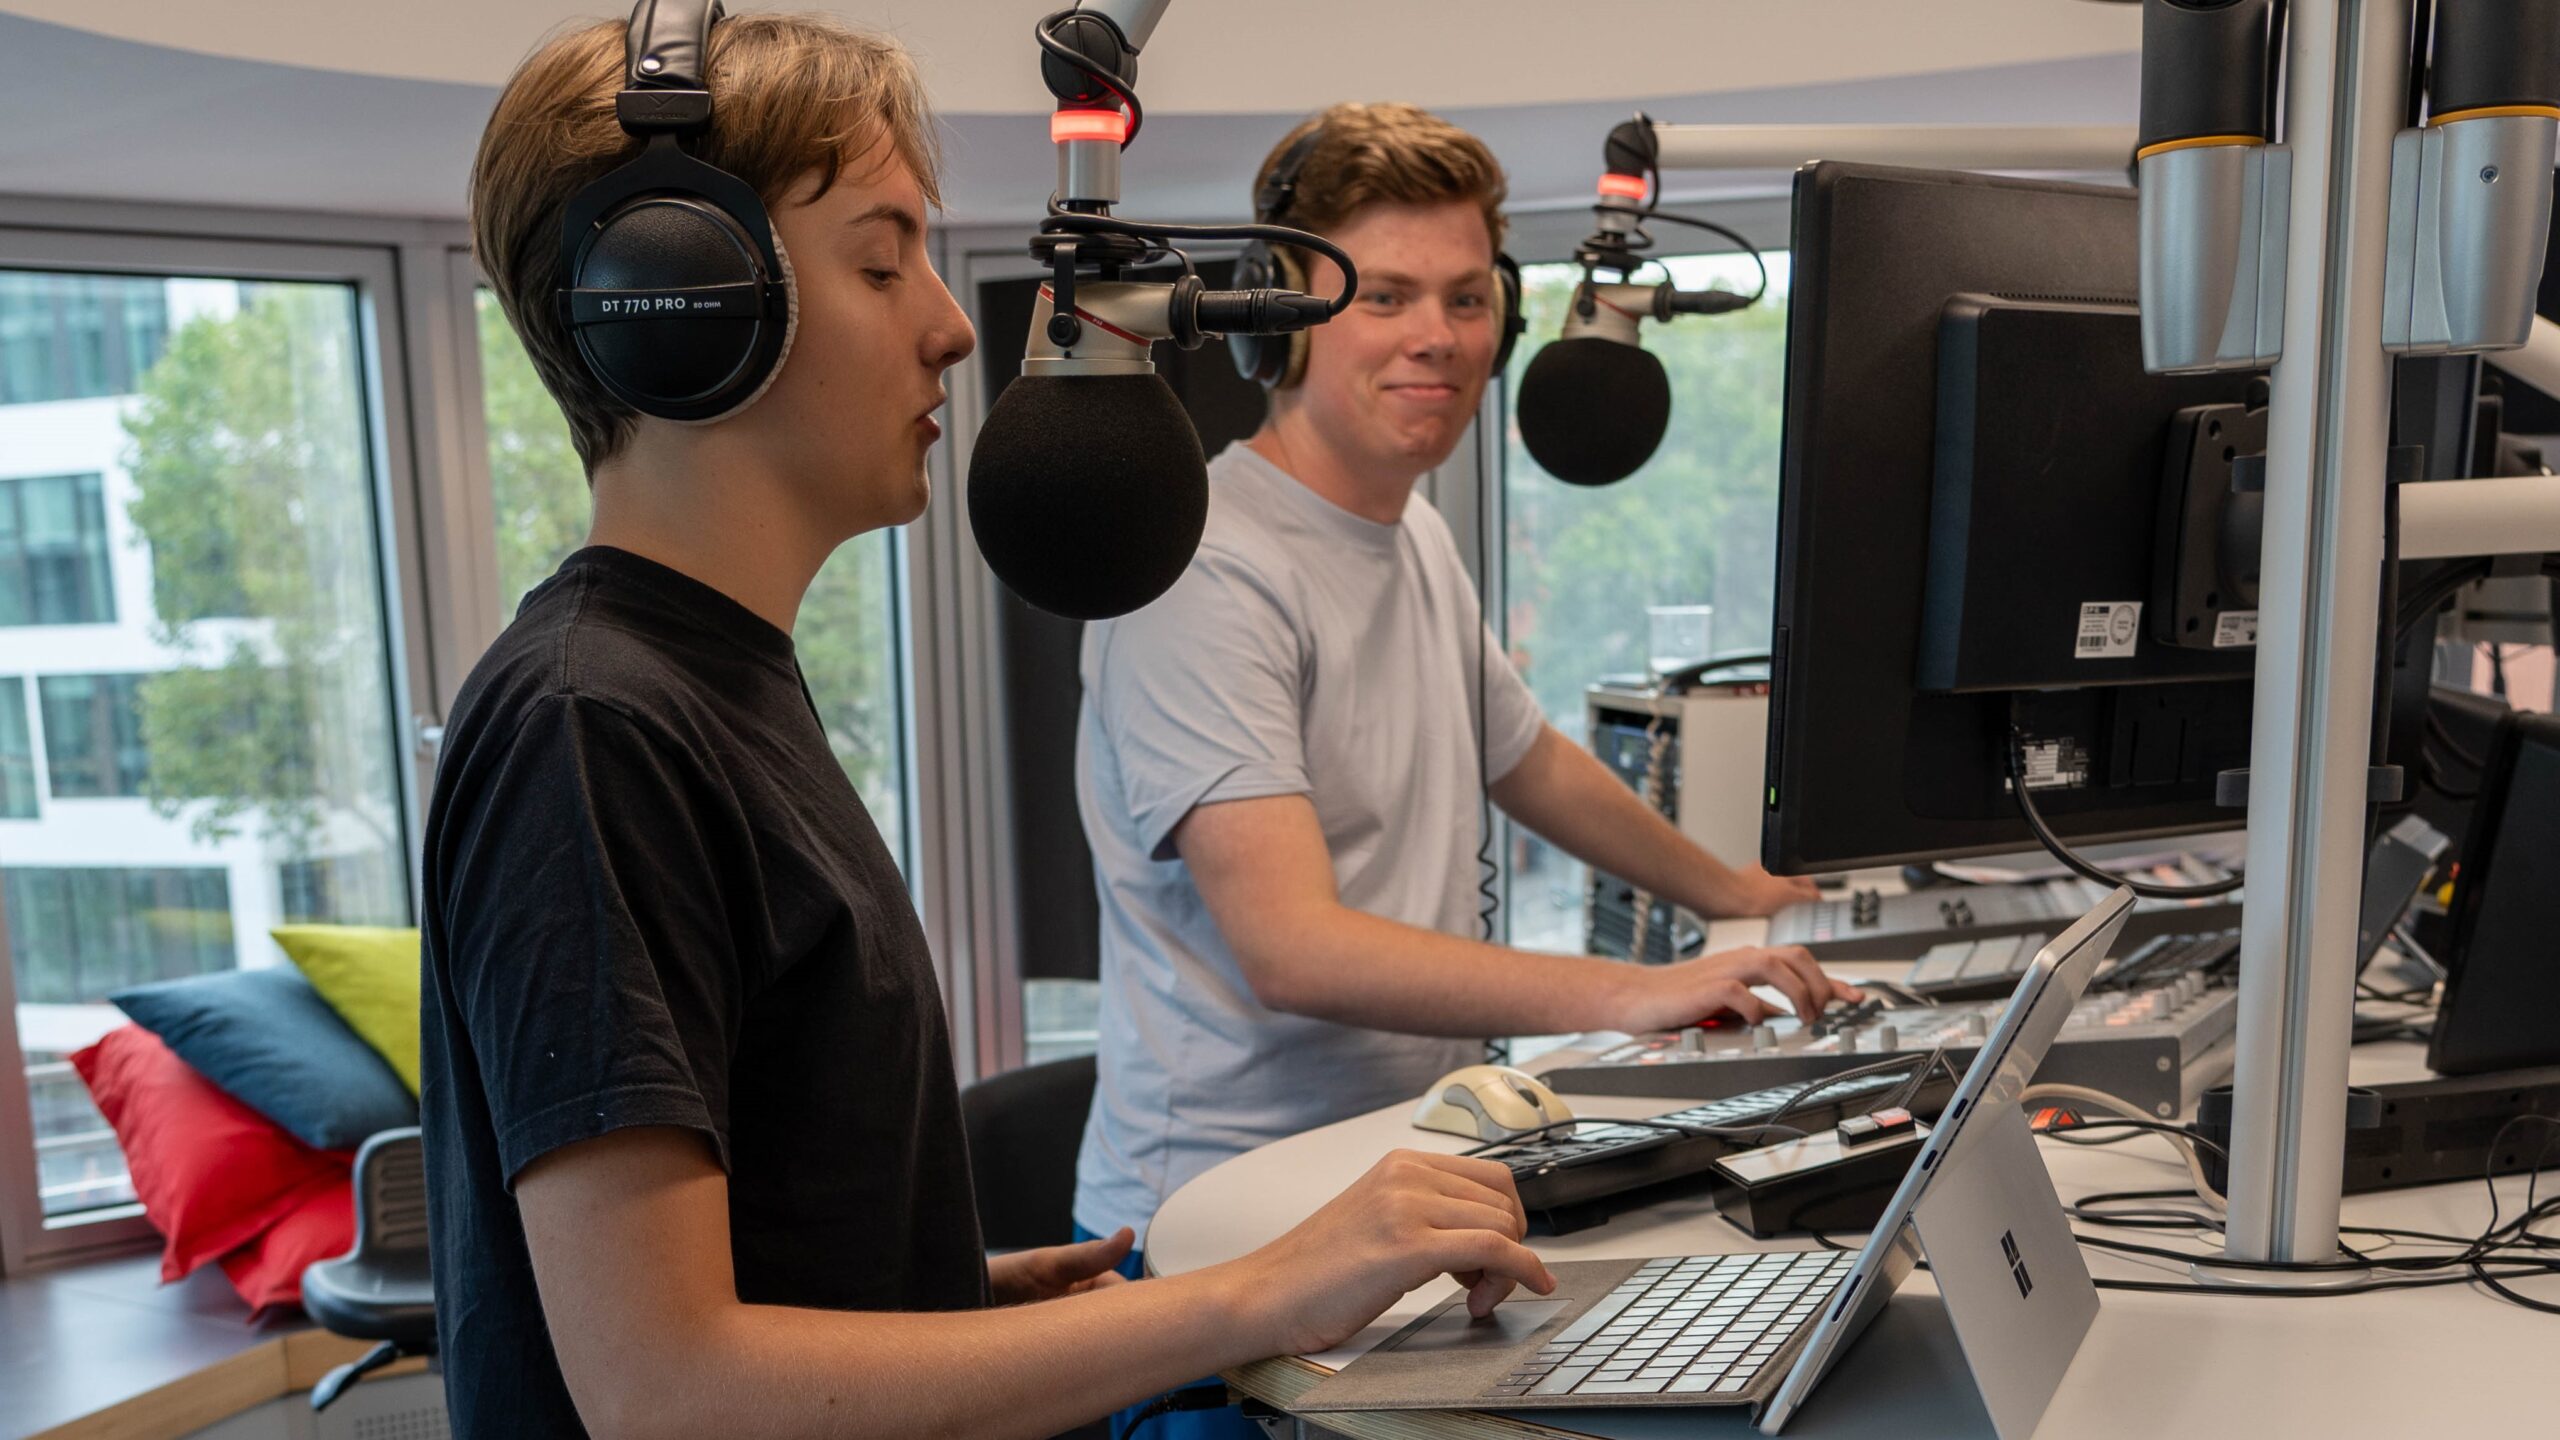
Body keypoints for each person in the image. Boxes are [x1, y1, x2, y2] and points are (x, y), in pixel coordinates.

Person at [425, 16, 1554, 1440]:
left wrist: (947, 1294)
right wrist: (1255, 1293)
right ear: (687, 296)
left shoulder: (715, 687)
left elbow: (753, 1255)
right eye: (882, 260)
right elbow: (665, 1391)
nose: (955, 324)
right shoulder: (590, 727)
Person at [1075, 102, 1851, 1276]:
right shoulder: (1204, 567)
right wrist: (1638, 992)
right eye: (1383, 296)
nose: (1435, 336)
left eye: (1467, 297)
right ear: (1280, 321)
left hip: (1394, 1174)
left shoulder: (1412, 534)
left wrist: (1737, 892)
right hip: (1216, 1226)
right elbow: (1294, 947)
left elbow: (1526, 758)